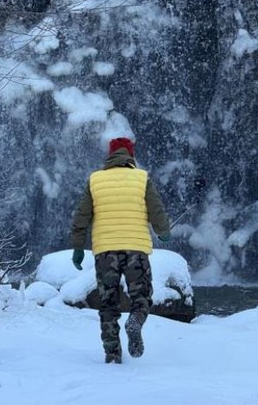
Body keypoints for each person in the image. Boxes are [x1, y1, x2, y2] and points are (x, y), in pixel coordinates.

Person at [69, 137, 171, 364]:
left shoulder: (96, 180)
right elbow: (157, 210)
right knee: (142, 296)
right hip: (136, 249)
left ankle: (112, 355)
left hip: (105, 252)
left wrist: (78, 247)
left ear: (110, 155)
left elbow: (81, 217)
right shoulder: (142, 178)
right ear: (131, 155)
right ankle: (135, 320)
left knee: (108, 303)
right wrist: (163, 231)